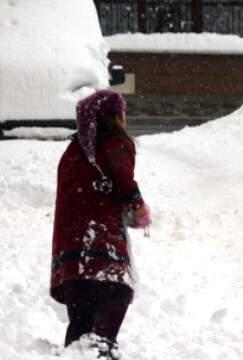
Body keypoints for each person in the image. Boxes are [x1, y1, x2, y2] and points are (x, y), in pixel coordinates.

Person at [51, 90, 151, 359]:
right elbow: (122, 179)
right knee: (114, 298)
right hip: (102, 243)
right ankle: (100, 351)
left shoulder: (72, 151)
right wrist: (138, 207)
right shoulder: (114, 142)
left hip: (71, 251)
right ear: (115, 116)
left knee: (80, 327)